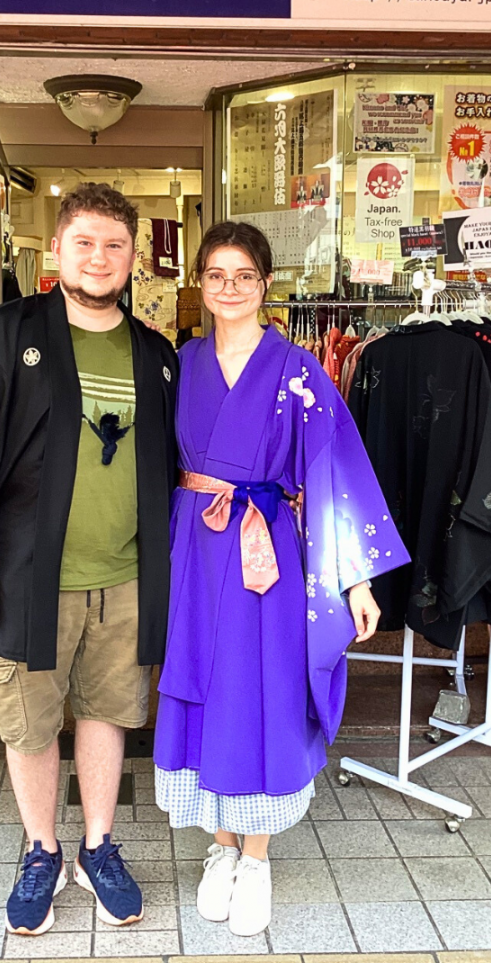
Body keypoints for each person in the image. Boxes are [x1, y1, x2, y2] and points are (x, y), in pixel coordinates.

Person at [0, 183, 178, 936]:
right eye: (84, 242)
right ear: (55, 251)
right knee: (30, 725)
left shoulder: (155, 353)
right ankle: (42, 851)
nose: (99, 257)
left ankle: (99, 845)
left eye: (114, 244)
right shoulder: (3, 334)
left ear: (134, 257)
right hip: (24, 576)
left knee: (108, 714)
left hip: (127, 578)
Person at [153, 221, 410, 938]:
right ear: (199, 284)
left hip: (267, 555)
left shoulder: (299, 367)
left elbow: (335, 473)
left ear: (266, 284)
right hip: (195, 555)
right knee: (200, 684)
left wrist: (357, 583)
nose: (229, 288)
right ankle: (220, 846)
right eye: (216, 275)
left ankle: (257, 856)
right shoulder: (183, 363)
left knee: (262, 688)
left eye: (244, 275)